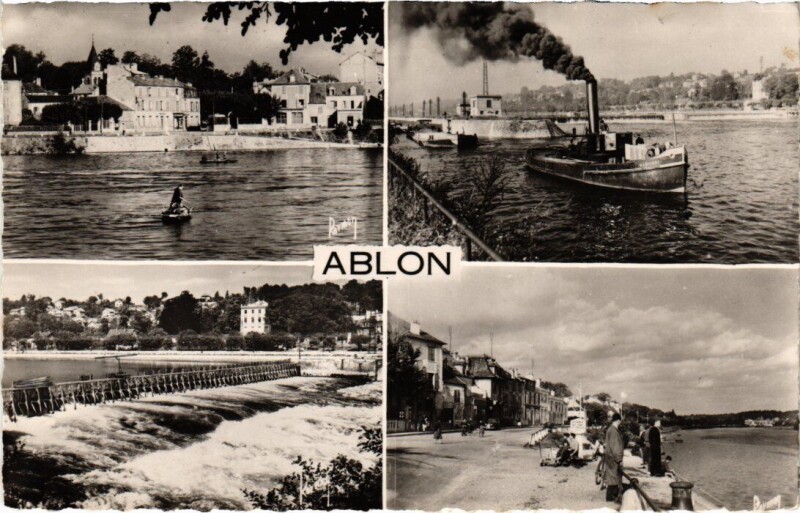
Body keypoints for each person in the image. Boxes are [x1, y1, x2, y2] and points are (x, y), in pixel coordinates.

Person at [603, 413, 624, 502]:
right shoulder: (614, 431)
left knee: (612, 476)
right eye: (620, 421)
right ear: (618, 420)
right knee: (613, 476)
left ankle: (612, 495)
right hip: (613, 457)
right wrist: (619, 460)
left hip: (610, 456)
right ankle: (610, 497)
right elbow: (615, 447)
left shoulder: (610, 429)